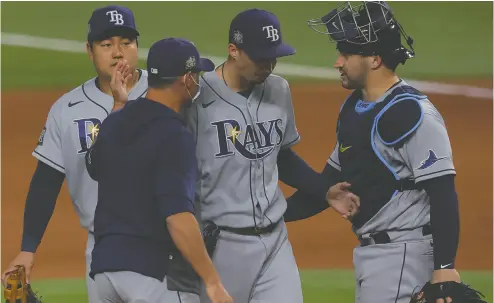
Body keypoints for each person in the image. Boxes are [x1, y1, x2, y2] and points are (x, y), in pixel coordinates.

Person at [285, 1, 462, 303]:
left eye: (346, 54)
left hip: (404, 257)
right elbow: (330, 184)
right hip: (376, 256)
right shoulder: (354, 108)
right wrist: (263, 215)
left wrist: (445, 268)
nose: (337, 62)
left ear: (375, 60)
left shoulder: (411, 113)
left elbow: (442, 190)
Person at [184, 8, 360, 303]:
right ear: (233, 51)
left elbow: (280, 156)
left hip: (275, 243)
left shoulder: (279, 89)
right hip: (220, 247)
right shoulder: (196, 98)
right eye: (260, 57)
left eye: (273, 56)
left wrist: (323, 191)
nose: (268, 64)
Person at [1, 5, 147, 303]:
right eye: (106, 45)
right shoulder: (67, 110)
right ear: (89, 50)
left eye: (126, 43)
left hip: (162, 247)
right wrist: (28, 249)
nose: (118, 53)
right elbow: (46, 181)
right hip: (102, 252)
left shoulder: (166, 92)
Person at [85, 37, 232, 303]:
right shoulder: (174, 134)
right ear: (186, 79)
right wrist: (212, 281)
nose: (198, 81)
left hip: (104, 273)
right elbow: (177, 217)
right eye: (196, 74)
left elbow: (94, 166)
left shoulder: (115, 121)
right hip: (153, 276)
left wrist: (119, 105)